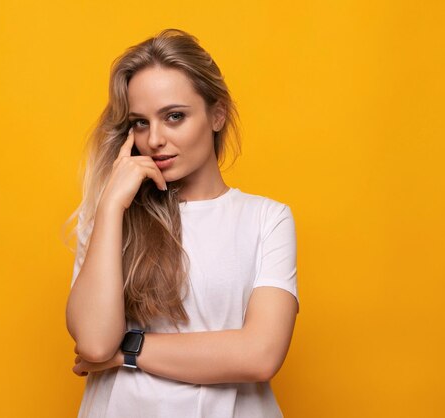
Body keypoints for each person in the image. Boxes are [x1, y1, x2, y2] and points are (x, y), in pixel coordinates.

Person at [65, 28, 299, 418]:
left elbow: (260, 355)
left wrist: (128, 351)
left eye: (174, 116)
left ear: (217, 114)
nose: (155, 139)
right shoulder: (110, 218)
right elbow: (92, 344)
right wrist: (109, 207)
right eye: (140, 123)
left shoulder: (267, 219)